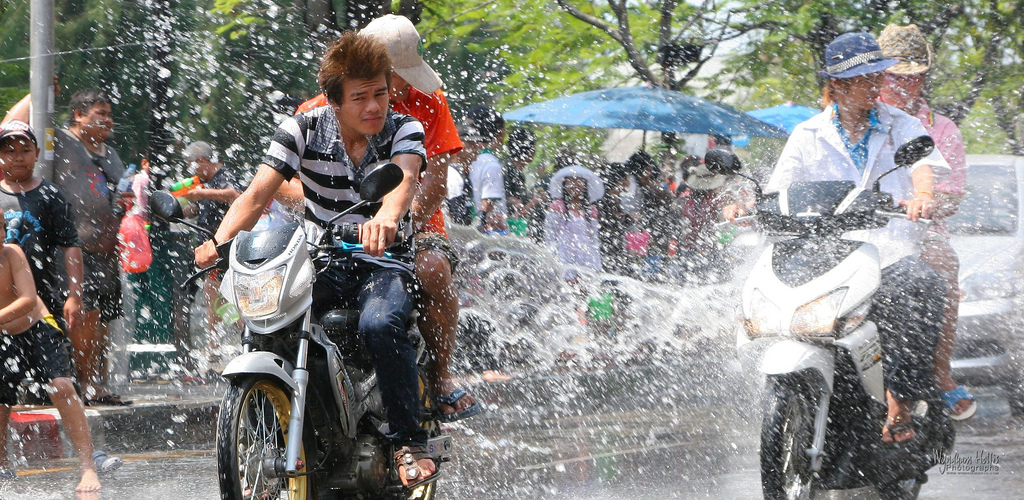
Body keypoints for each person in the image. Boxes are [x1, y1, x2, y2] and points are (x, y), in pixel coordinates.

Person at [195, 32, 435, 486]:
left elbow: (403, 183)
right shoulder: (300, 130)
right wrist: (218, 242)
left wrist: (385, 219)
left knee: (380, 323)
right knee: (268, 321)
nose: (374, 106)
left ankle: (409, 440)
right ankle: (282, 421)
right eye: (360, 97)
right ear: (333, 100)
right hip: (321, 259)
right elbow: (256, 195)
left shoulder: (404, 128)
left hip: (385, 262)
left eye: (380, 93)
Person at [726, 32, 951, 443]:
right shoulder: (807, 133)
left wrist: (922, 196)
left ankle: (901, 398)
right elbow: (778, 189)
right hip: (823, 253)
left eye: (878, 75)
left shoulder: (902, 124)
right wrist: (746, 207)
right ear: (840, 85)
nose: (878, 85)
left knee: (921, 283)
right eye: (867, 78)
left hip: (888, 249)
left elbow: (921, 166)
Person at [290, 14, 479, 422]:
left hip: (414, 225)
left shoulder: (428, 102)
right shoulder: (319, 110)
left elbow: (433, 183)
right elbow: (284, 182)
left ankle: (441, 375)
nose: (408, 87)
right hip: (333, 233)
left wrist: (396, 222)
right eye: (401, 77)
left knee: (432, 269)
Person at [878, 23, 975, 421]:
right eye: (895, 77)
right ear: (877, 75)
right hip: (858, 228)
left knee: (943, 261)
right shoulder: (856, 117)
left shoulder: (941, 128)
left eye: (914, 77)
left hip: (919, 234)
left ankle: (939, 370)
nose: (904, 86)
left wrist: (928, 204)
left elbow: (951, 194)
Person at [0, 217, 121, 491]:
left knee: (62, 386)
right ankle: (2, 464)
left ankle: (88, 466)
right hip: (2, 337)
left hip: (36, 328)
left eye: (0, 227)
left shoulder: (11, 254)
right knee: (1, 400)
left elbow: (27, 300)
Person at [53, 89, 132, 406]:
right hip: (74, 248)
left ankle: (98, 384)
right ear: (78, 115)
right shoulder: (61, 142)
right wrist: (41, 91)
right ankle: (86, 384)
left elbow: (122, 192)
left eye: (110, 114)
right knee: (83, 315)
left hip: (108, 250)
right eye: (101, 113)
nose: (108, 120)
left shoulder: (110, 154)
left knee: (103, 319)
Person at [545, 165, 605, 272]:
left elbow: (594, 239)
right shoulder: (557, 206)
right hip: (563, 255)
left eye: (579, 182)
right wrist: (550, 258)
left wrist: (597, 263)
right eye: (570, 181)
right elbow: (550, 235)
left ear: (585, 185)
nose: (575, 185)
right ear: (564, 185)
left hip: (585, 256)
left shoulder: (591, 210)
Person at [464, 106, 508, 233]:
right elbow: (488, 205)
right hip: (487, 234)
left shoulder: (469, 158)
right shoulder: (492, 165)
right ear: (501, 134)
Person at [504, 126, 537, 235]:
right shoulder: (511, 171)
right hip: (511, 228)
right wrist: (533, 202)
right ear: (530, 152)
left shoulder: (512, 169)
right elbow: (510, 201)